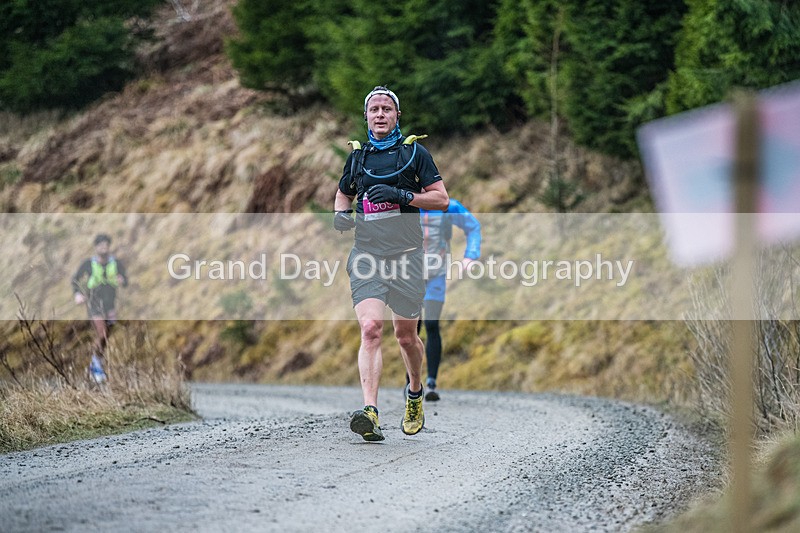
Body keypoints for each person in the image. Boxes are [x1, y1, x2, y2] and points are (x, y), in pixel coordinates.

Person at [334, 86, 449, 441]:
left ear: (397, 116)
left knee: (405, 336)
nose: (380, 114)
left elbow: (441, 199)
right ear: (366, 116)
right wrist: (340, 214)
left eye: (386, 109)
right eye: (374, 109)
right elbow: (344, 191)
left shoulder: (415, 154)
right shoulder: (357, 158)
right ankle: (370, 411)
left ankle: (414, 393)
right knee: (370, 328)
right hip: (368, 256)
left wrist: (403, 196)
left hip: (407, 258)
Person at [417, 200, 481, 401]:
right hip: (409, 275)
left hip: (436, 275)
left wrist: (470, 256)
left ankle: (431, 383)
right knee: (411, 329)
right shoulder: (406, 203)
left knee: (431, 324)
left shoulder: (448, 206)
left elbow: (473, 227)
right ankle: (412, 383)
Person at [71, 233, 128, 383]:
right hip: (94, 303)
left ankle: (96, 363)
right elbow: (75, 279)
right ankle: (96, 365)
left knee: (106, 336)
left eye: (106, 245)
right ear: (96, 247)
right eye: (100, 245)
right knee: (102, 334)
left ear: (109, 247)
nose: (103, 247)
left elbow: (125, 279)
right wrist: (77, 294)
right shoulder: (88, 264)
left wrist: (122, 280)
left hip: (110, 304)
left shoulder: (116, 263)